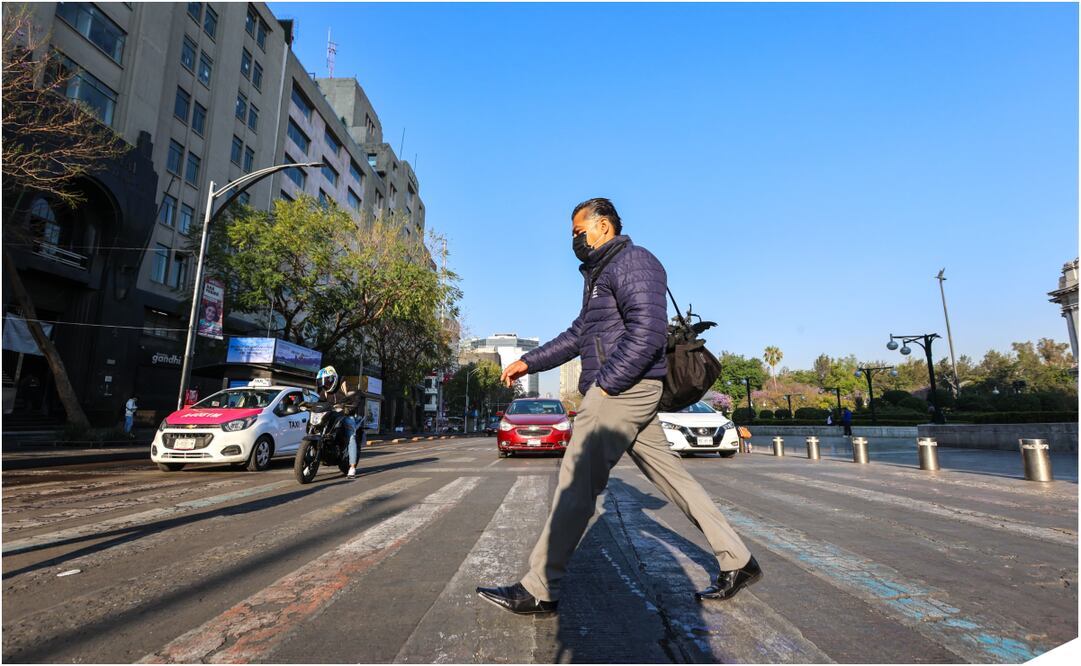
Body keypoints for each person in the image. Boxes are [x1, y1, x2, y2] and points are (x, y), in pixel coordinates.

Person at [476, 198, 760, 615]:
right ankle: (739, 560)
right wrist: (529, 361)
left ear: (603, 227)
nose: (573, 240)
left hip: (623, 388)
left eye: (578, 232)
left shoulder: (635, 262)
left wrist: (606, 387)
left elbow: (648, 333)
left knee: (576, 480)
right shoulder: (600, 273)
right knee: (675, 480)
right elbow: (579, 334)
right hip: (628, 387)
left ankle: (540, 587)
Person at [315, 366, 362, 479]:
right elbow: (320, 402)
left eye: (326, 382)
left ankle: (352, 467)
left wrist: (349, 409)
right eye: (322, 383)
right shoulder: (324, 392)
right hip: (331, 414)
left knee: (351, 435)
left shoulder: (345, 384)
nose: (324, 385)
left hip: (345, 414)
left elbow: (356, 396)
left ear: (333, 379)